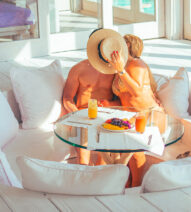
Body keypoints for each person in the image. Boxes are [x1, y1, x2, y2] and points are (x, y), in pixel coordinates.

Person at [109, 34, 167, 187]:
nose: (116, 46)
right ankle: (125, 184)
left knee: (134, 150)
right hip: (133, 115)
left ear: (128, 45)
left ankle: (137, 186)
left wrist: (121, 71)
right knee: (118, 144)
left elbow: (137, 92)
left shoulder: (136, 64)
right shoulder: (118, 67)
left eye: (121, 42)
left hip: (150, 114)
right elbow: (123, 97)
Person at [61, 29, 121, 165]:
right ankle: (84, 174)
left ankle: (100, 178)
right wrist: (77, 114)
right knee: (83, 154)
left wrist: (109, 105)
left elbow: (123, 99)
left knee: (104, 160)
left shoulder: (115, 71)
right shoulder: (78, 69)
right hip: (82, 116)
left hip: (106, 116)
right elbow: (67, 98)